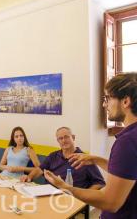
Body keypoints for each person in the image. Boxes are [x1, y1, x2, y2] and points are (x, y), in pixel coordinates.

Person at [43, 73, 137, 218]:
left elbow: (110, 202)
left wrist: (65, 188)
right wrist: (96, 160)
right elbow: (127, 173)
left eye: (108, 98)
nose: (104, 104)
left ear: (125, 101)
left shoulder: (126, 142)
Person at [21, 127, 105, 189]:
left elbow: (100, 182)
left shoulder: (85, 159)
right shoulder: (53, 156)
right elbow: (39, 170)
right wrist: (29, 177)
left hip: (72, 198)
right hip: (48, 194)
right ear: (58, 141)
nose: (63, 141)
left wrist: (85, 196)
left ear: (73, 137)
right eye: (60, 138)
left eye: (66, 137)